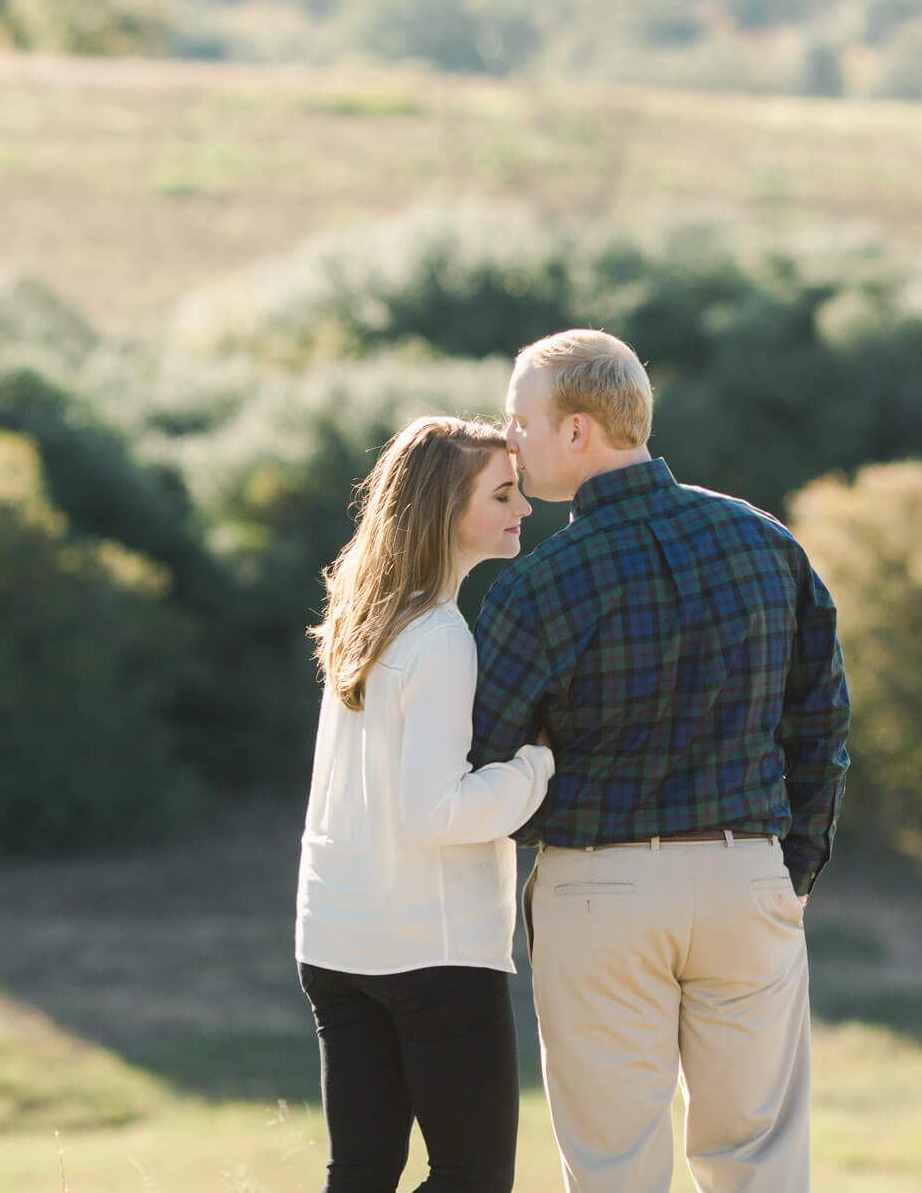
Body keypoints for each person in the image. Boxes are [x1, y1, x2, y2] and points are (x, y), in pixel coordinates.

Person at [469, 329, 852, 1193]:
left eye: (518, 420)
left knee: (614, 1171)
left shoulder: (540, 583)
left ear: (577, 432)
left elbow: (482, 756)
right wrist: (792, 868)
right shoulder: (766, 543)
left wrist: (547, 825)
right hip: (747, 876)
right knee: (759, 1166)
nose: (509, 439)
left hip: (598, 891)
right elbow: (821, 718)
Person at [296, 415, 555, 1193]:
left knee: (362, 1174)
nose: (525, 508)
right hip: (431, 951)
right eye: (504, 493)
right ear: (448, 508)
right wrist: (540, 765)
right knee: (473, 1178)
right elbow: (437, 812)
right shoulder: (442, 636)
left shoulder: (364, 621)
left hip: (336, 942)